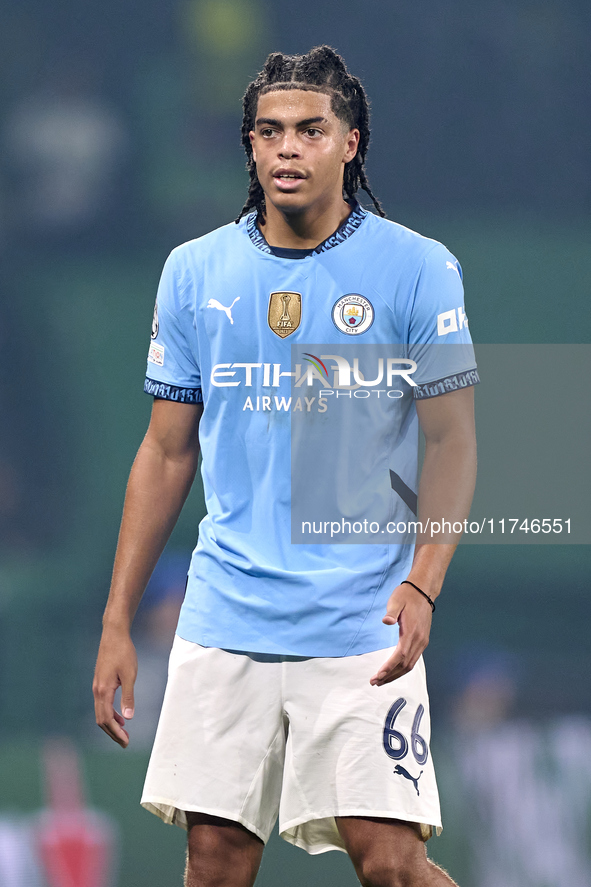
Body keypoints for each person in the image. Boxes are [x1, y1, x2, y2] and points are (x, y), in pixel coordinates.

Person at [93, 46, 478, 887]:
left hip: (359, 623)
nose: (285, 149)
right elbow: (165, 451)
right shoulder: (194, 271)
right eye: (268, 132)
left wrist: (423, 581)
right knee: (214, 861)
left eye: (309, 130)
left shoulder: (416, 266)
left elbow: (452, 441)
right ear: (249, 146)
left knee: (391, 861)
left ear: (351, 143)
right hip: (224, 616)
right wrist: (118, 620)